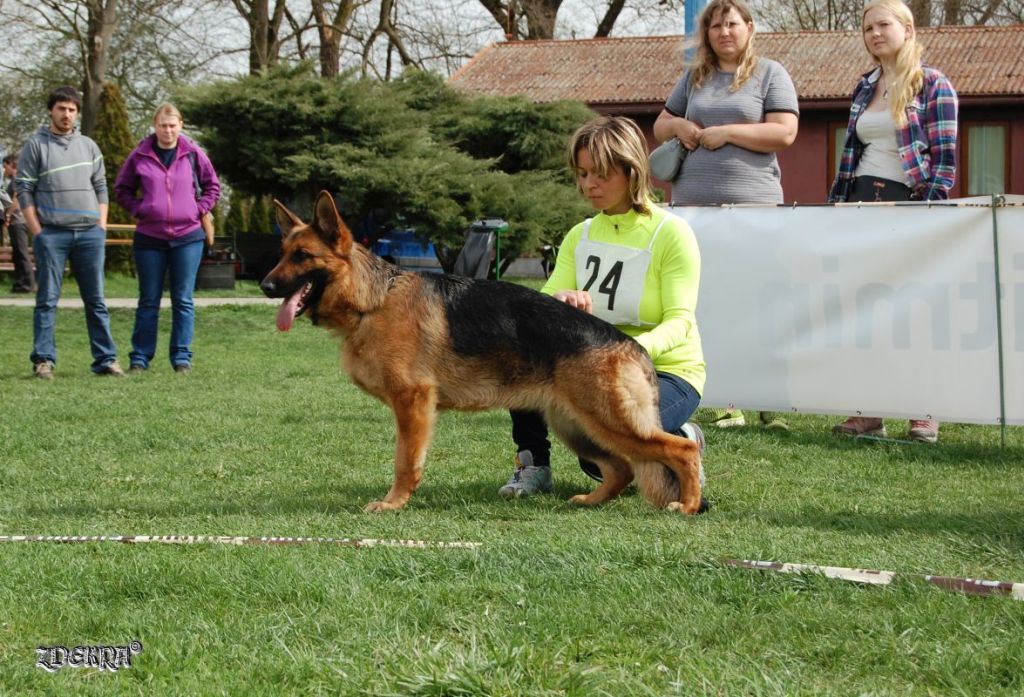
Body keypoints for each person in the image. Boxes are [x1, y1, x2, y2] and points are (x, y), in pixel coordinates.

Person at [498, 115, 707, 506]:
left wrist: (628, 355)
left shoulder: (671, 233)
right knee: (522, 363)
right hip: (594, 368)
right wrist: (560, 303)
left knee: (616, 447)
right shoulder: (581, 234)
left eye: (602, 174)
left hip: (667, 370)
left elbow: (680, 321)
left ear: (632, 171)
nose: (588, 184)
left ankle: (682, 439)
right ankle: (532, 466)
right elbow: (538, 309)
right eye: (582, 173)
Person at [652, 0, 799, 430]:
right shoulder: (693, 77)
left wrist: (727, 133)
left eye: (732, 24)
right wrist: (679, 127)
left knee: (759, 299)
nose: (724, 32)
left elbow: (785, 132)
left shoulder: (771, 73)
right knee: (705, 302)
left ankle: (770, 401)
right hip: (693, 209)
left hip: (755, 207)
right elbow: (662, 123)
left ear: (749, 28)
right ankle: (725, 400)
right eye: (715, 25)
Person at [827, 0, 957, 444]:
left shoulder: (934, 85)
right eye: (867, 28)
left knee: (914, 313)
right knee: (866, 310)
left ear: (907, 28)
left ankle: (924, 413)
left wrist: (928, 211)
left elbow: (945, 162)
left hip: (910, 205)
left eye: (883, 25)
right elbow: (851, 155)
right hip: (860, 201)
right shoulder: (864, 87)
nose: (875, 34)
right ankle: (868, 413)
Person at [16, 86, 123, 379]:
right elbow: (23, 188)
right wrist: (37, 230)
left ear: (77, 112)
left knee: (96, 300)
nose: (67, 114)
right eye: (61, 108)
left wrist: (101, 225)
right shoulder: (35, 145)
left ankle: (106, 360)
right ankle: (44, 361)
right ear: (51, 110)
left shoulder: (89, 145)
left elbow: (101, 186)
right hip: (52, 234)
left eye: (72, 109)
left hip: (90, 234)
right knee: (47, 299)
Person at [114, 103, 220, 373]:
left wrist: (198, 209)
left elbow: (212, 187)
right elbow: (122, 189)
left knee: (183, 300)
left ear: (181, 126)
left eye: (172, 125)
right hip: (149, 238)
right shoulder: (139, 154)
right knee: (148, 300)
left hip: (188, 238)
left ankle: (181, 357)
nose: (168, 130)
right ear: (155, 126)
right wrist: (140, 209)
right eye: (163, 125)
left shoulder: (194, 153)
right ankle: (140, 357)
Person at [3, 154, 35, 293]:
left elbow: (17, 198)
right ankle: (21, 282)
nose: (5, 170)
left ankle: (29, 283)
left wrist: (8, 215)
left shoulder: (17, 177)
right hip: (18, 220)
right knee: (17, 253)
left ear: (11, 164)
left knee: (21, 252)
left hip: (18, 220)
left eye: (5, 166)